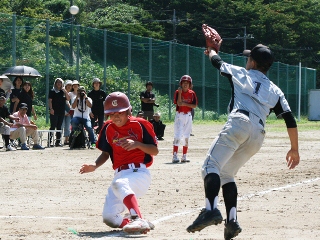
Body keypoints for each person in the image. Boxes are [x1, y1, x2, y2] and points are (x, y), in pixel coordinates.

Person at [186, 44, 300, 240]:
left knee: (209, 166)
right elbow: (290, 119)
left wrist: (212, 49)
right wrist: (294, 149)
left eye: (249, 59)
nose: (246, 61)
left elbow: (217, 62)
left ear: (253, 63)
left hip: (240, 122)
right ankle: (232, 222)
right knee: (227, 174)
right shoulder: (275, 90)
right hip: (258, 135)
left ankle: (211, 210)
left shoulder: (241, 73)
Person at [79, 91, 158, 234]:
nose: (116, 117)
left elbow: (154, 151)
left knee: (119, 184)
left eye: (120, 113)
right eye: (112, 114)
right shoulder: (108, 128)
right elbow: (106, 153)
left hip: (139, 173)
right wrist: (95, 166)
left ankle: (137, 218)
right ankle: (138, 223)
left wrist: (137, 144)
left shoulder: (140, 124)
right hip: (120, 175)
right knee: (109, 218)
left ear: (128, 111)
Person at [172, 75, 198, 163]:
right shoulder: (177, 92)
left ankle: (184, 156)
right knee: (178, 135)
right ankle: (175, 155)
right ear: (181, 84)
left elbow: (194, 105)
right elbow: (179, 104)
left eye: (187, 83)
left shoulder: (192, 93)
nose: (185, 84)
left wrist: (185, 104)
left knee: (186, 136)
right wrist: (180, 93)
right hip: (180, 115)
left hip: (188, 116)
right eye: (184, 83)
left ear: (190, 84)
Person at [48, 78, 70, 147]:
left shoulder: (63, 92)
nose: (59, 84)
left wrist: (65, 91)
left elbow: (68, 99)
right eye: (57, 82)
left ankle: (58, 141)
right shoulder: (52, 91)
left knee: (59, 127)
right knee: (53, 126)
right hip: (54, 111)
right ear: (55, 83)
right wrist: (51, 109)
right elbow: (50, 100)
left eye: (60, 82)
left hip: (61, 111)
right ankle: (49, 141)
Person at [62, 80, 73, 145]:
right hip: (62, 111)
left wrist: (70, 111)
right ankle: (58, 140)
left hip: (69, 112)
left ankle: (66, 139)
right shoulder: (62, 93)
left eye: (70, 85)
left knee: (68, 126)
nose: (69, 87)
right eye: (68, 85)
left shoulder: (72, 94)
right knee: (61, 126)